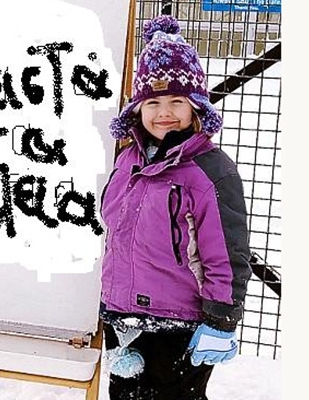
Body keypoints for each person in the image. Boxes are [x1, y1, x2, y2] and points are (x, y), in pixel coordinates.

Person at [99, 14, 252, 400]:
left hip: (179, 324)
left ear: (195, 107)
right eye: (152, 102)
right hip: (123, 320)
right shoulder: (128, 160)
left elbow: (227, 254)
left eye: (176, 101)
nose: (163, 112)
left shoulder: (210, 172)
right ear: (137, 109)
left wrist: (221, 318)